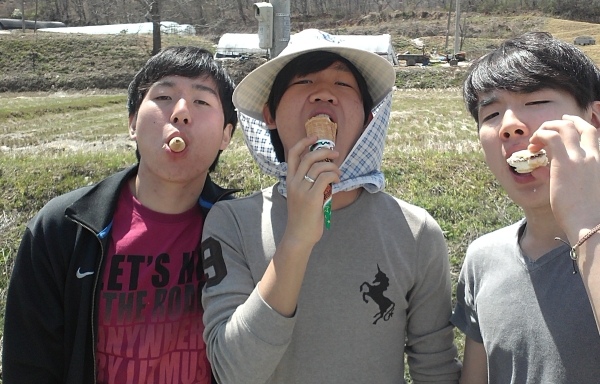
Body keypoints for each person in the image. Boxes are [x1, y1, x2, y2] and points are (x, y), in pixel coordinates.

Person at [200, 29, 461, 384]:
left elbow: (436, 366)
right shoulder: (233, 223)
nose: (323, 92)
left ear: (368, 119)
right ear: (270, 115)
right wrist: (296, 240)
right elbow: (234, 372)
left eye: (343, 83)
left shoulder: (415, 232)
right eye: (303, 81)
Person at [2, 46, 237, 384]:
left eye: (201, 101)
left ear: (226, 135)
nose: (181, 113)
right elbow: (28, 366)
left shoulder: (241, 231)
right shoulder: (61, 228)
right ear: (132, 124)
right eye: (164, 97)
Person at [452, 31, 600, 384]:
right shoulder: (483, 258)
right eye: (491, 114)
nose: (509, 126)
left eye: (535, 101)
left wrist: (584, 223)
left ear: (594, 121)